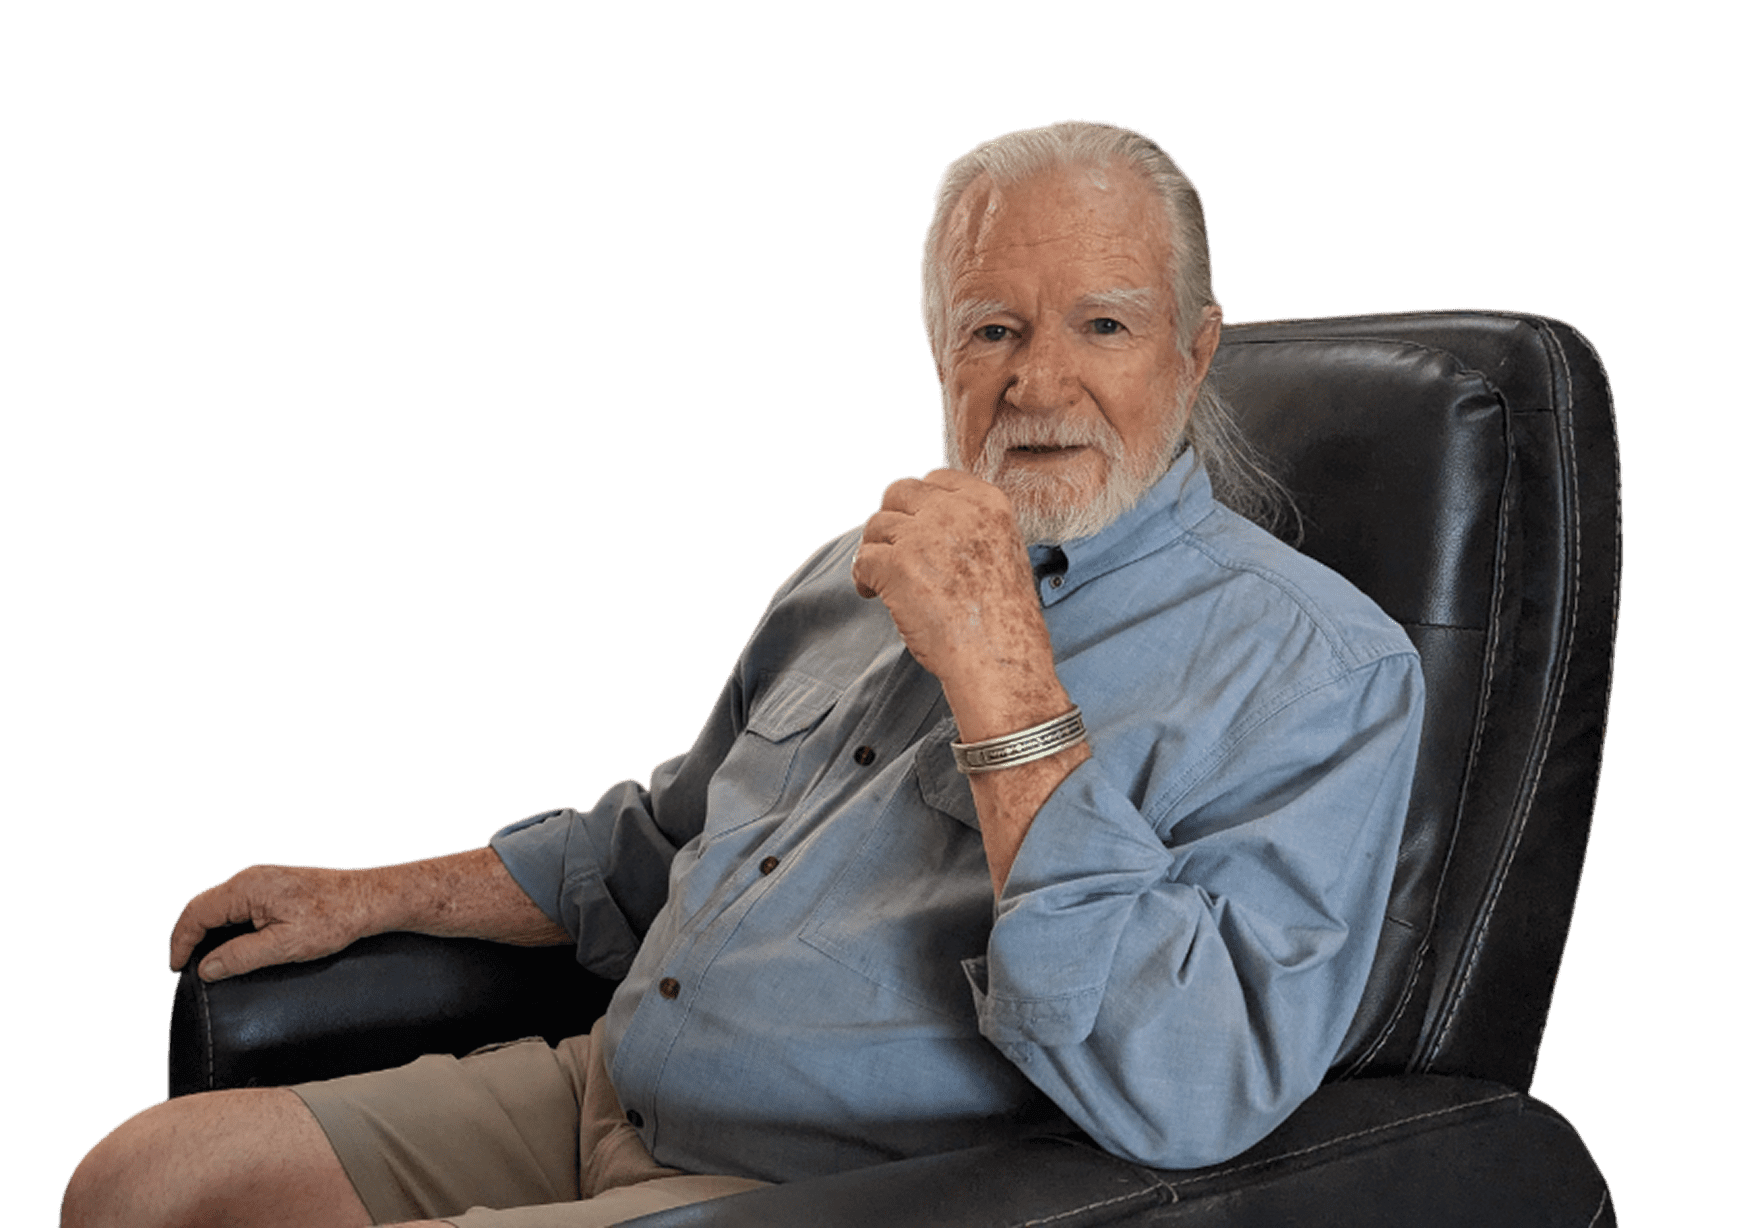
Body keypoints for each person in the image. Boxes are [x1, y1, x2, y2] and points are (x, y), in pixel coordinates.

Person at [64, 120, 1425, 1227]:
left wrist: (1002, 676)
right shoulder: (852, 567)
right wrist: (370, 894)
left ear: (1195, 353)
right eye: (991, 330)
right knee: (144, 1180)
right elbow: (655, 847)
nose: (1035, 385)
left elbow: (1190, 1085)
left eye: (1104, 328)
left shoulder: (1318, 665)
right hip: (608, 1091)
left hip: (832, 1183)